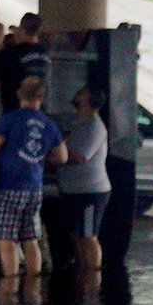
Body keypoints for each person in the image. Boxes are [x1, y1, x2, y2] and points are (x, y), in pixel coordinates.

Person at [0, 72, 62, 279]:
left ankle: (10, 285)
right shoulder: (49, 124)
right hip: (34, 188)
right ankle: (34, 285)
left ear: (18, 94)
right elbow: (62, 157)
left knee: (6, 239)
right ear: (41, 97)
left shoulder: (10, 119)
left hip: (9, 186)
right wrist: (41, 156)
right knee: (30, 238)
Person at [48, 80, 110, 274]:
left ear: (87, 99)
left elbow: (79, 156)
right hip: (72, 190)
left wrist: (49, 158)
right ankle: (82, 269)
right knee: (76, 234)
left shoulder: (94, 126)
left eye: (81, 92)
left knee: (88, 235)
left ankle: (92, 276)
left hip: (89, 192)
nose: (77, 93)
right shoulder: (73, 120)